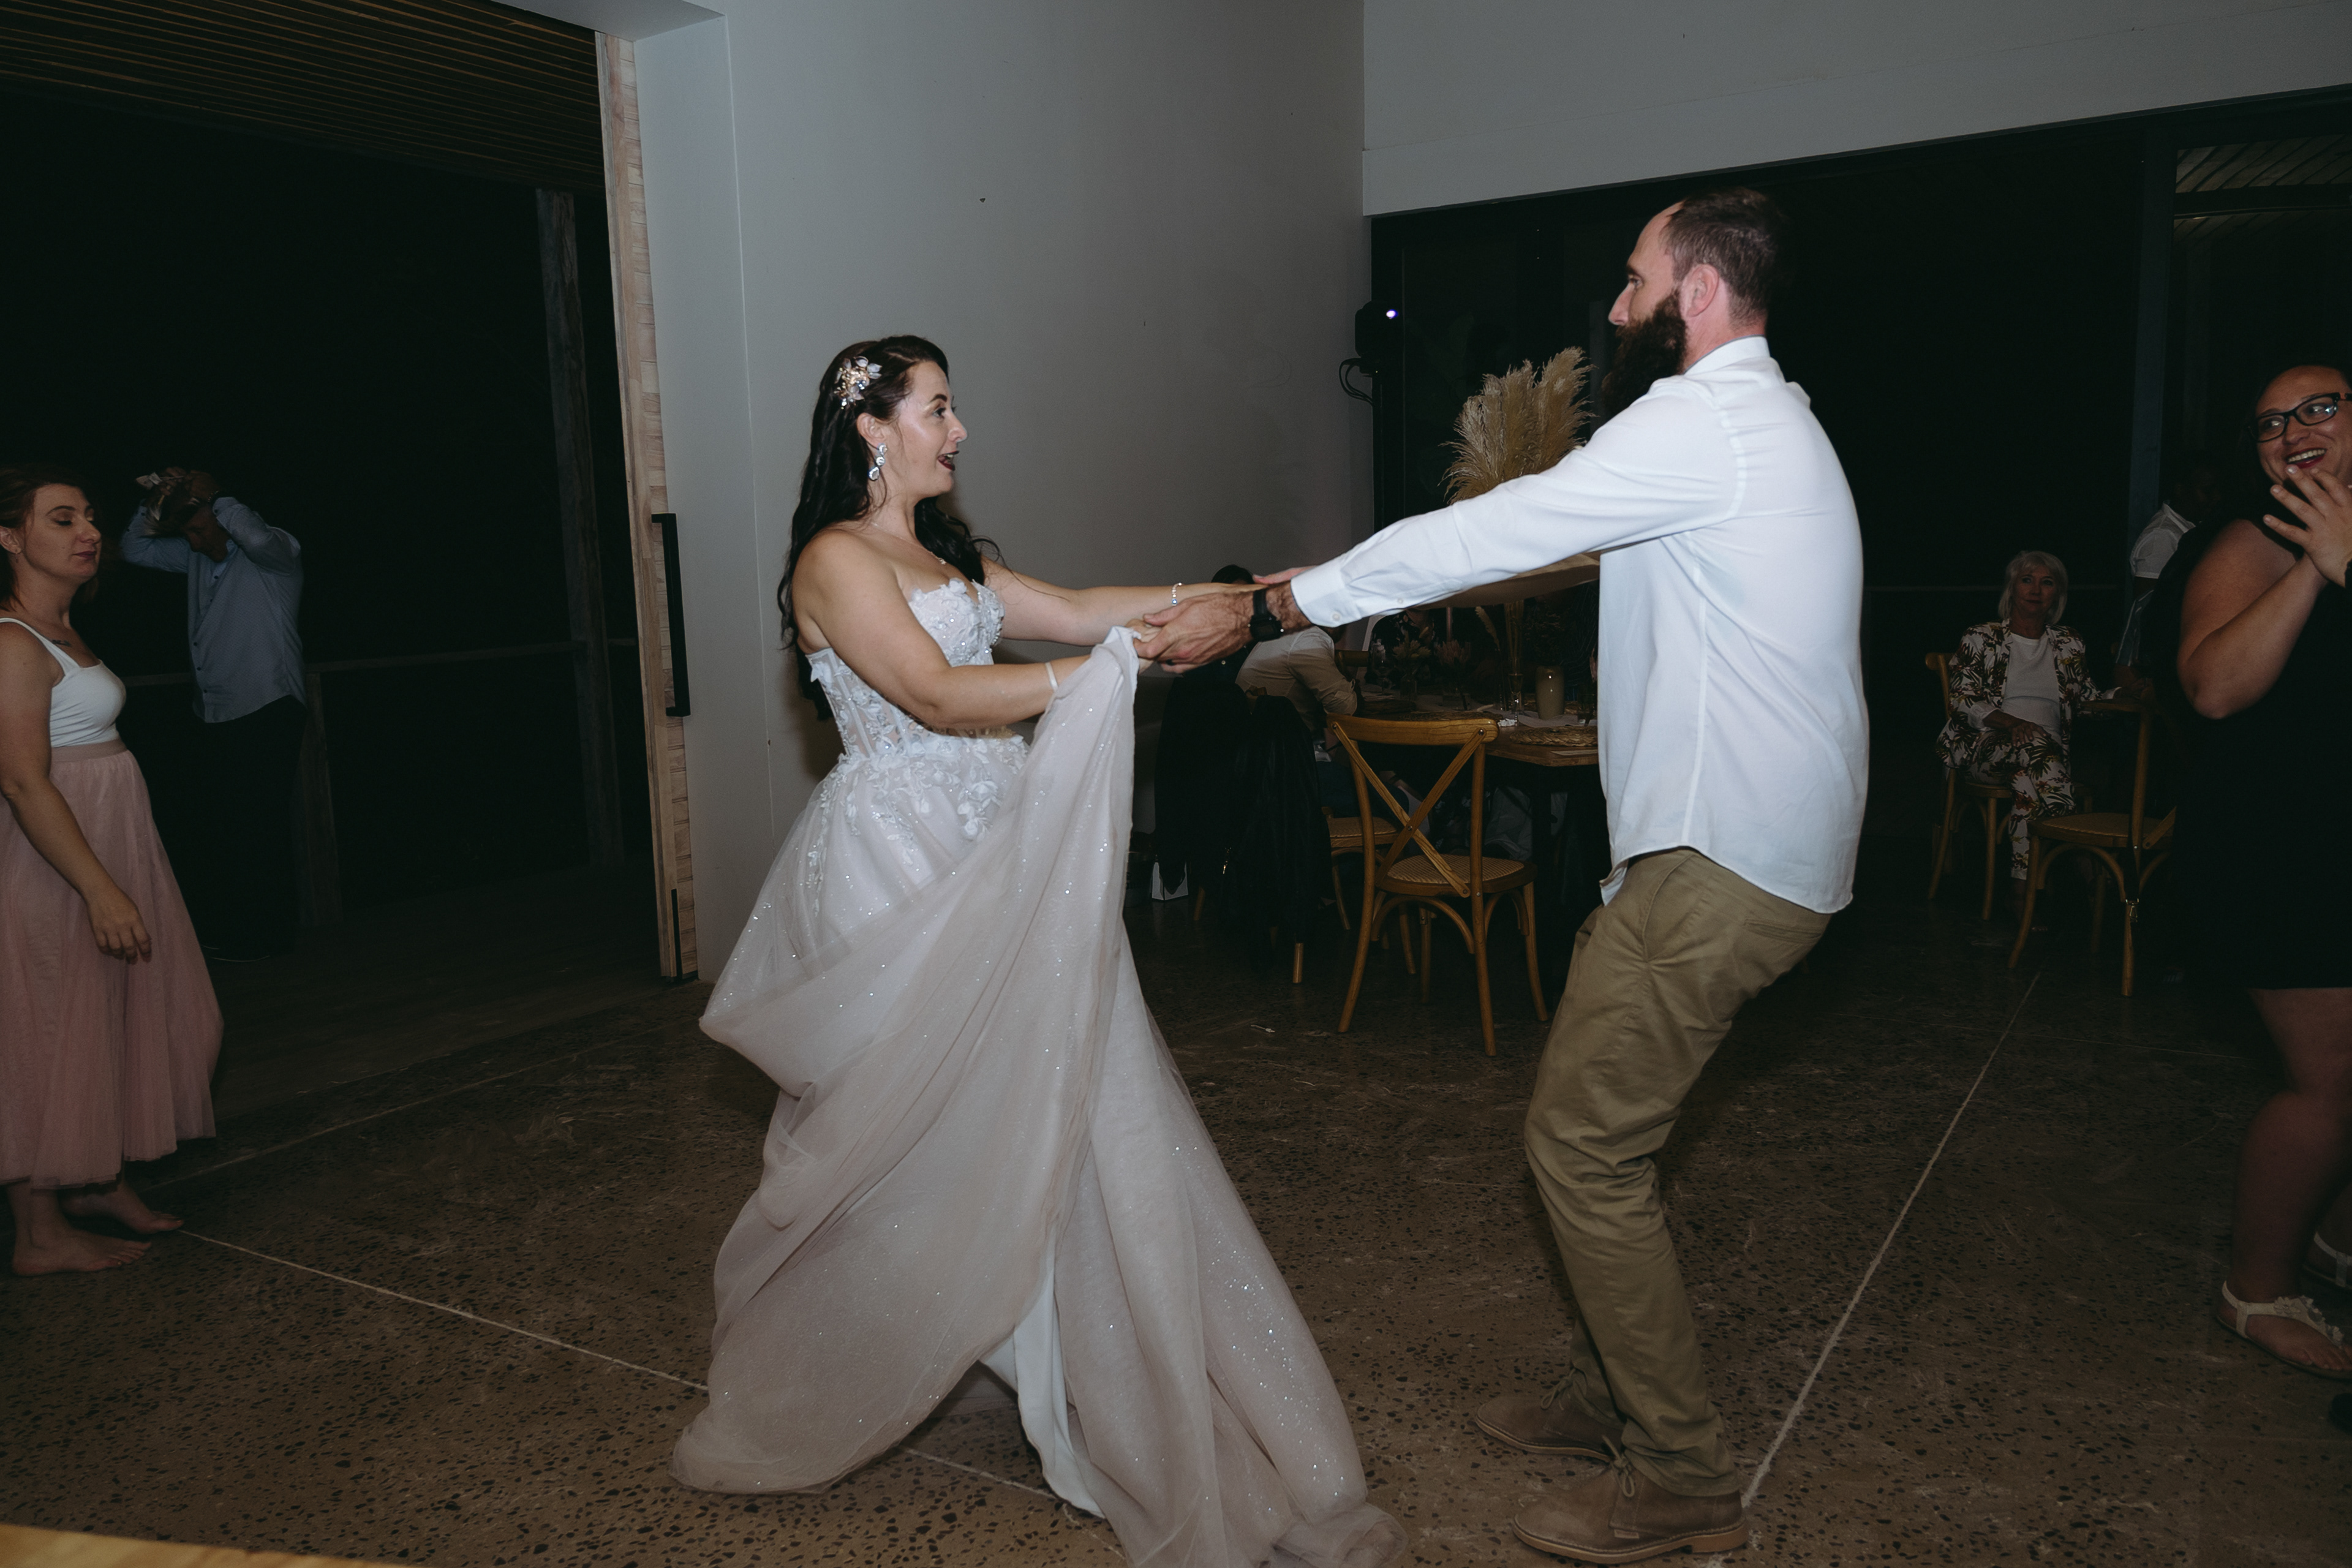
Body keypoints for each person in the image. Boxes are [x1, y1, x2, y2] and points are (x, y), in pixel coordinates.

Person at [1141, 187, 1865, 1562]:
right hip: (1721, 852)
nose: (1617, 305)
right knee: (1604, 1141)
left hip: (1721, 860)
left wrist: (1277, 602)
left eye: (1635, 281)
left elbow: (1493, 530)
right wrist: (1346, 581)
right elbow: (1548, 549)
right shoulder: (1760, 426)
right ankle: (1621, 1392)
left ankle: (1683, 1476)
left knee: (1583, 1150)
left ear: (1700, 294)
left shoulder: (1703, 423)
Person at [669, 337, 1404, 1568]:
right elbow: (935, 695)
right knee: (927, 1122)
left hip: (996, 842)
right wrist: (1106, 670)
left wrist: (1224, 603)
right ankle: (910, 1331)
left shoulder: (949, 555)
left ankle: (1080, 1346)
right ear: (872, 427)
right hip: (898, 860)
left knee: (1058, 1096)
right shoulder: (835, 560)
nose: (958, 430)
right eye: (938, 409)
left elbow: (1077, 606)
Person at [0, 466, 221, 1275]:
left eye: (90, 516)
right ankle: (39, 1233)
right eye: (62, 519)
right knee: (45, 1033)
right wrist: (98, 888)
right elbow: (23, 781)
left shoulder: (59, 631)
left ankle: (96, 1179)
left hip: (112, 840)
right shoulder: (10, 642)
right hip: (54, 861)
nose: (89, 531)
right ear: (9, 537)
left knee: (124, 1018)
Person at [2176, 366, 2352, 1381]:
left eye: (2320, 407)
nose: (2292, 431)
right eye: (2270, 424)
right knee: (2333, 1080)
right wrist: (2315, 569)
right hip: (2278, 848)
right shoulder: (2251, 541)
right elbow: (2212, 687)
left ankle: (2328, 1237)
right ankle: (2258, 1288)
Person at [119, 469, 306, 961]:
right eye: (188, 534)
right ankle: (239, 930)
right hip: (216, 712)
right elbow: (133, 549)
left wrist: (217, 495)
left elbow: (255, 536)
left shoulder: (276, 556)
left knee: (261, 827)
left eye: (201, 530)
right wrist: (158, 503)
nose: (195, 543)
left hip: (268, 705)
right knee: (229, 826)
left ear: (224, 518)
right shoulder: (195, 558)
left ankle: (270, 941)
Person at [1932, 551, 2098, 910]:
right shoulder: (1982, 636)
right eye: (2027, 580)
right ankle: (2082, 854)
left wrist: (2128, 694)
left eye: (2047, 583)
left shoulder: (2069, 642)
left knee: (2027, 783)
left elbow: (2087, 699)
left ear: (2058, 594)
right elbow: (1962, 700)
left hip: (2044, 763)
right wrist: (2012, 723)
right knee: (2036, 743)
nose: (2036, 590)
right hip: (1985, 748)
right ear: (2012, 587)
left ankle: (2021, 892)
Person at [2115, 454, 2225, 693]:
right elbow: (2147, 610)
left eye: (2219, 490)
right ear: (2181, 490)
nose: (2216, 498)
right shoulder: (2162, 538)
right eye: (2207, 490)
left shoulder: (2193, 529)